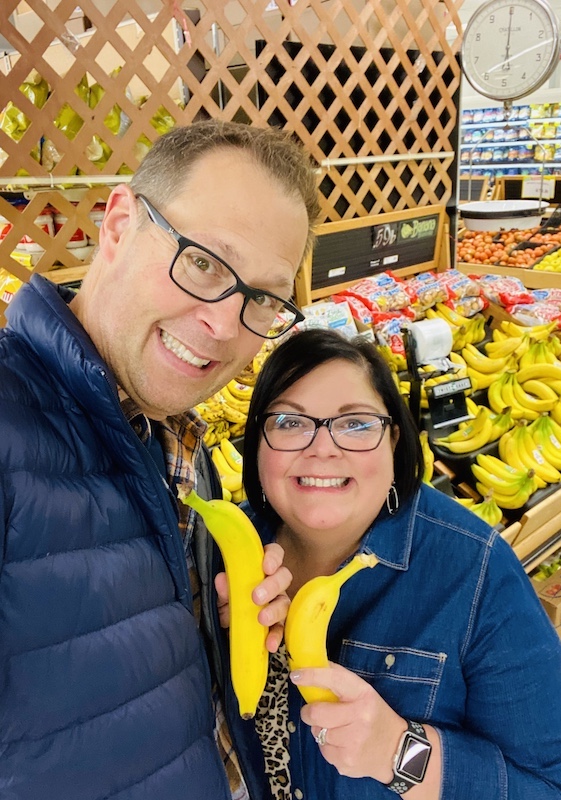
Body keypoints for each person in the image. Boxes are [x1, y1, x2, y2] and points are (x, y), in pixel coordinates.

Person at [0, 120, 322, 800]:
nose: (225, 327)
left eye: (263, 298)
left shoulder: (171, 436)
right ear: (118, 223)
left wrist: (209, 625)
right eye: (204, 261)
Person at [240, 327, 561, 800]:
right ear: (256, 444)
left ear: (395, 440)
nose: (322, 448)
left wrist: (400, 752)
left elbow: (557, 792)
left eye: (356, 423)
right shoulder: (226, 553)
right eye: (290, 422)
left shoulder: (476, 570)